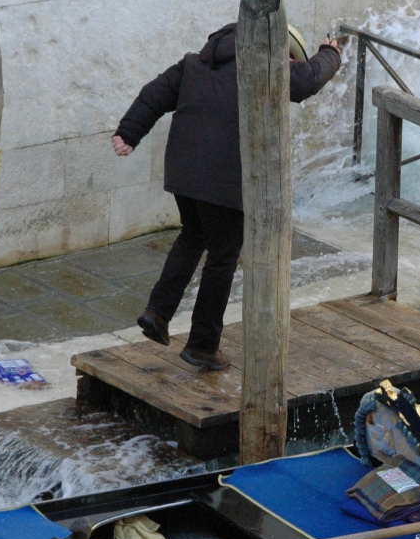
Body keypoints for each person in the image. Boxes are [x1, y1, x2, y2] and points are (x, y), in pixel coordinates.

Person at [112, 23, 341, 370]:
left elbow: (155, 94)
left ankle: (157, 312)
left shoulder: (195, 64)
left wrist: (128, 132)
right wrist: (332, 54)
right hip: (225, 178)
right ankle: (203, 345)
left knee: (193, 236)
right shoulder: (264, 69)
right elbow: (307, 80)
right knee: (222, 256)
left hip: (185, 173)